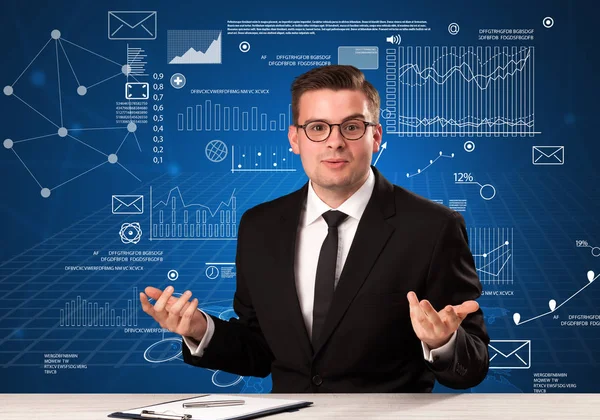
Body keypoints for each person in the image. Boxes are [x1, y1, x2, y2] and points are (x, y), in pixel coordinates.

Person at [140, 65, 490, 392]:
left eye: (352, 127)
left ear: (376, 136)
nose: (334, 142)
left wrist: (442, 342)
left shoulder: (433, 228)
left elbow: (473, 365)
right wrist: (202, 330)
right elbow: (261, 350)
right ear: (295, 139)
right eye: (318, 127)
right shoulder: (259, 227)